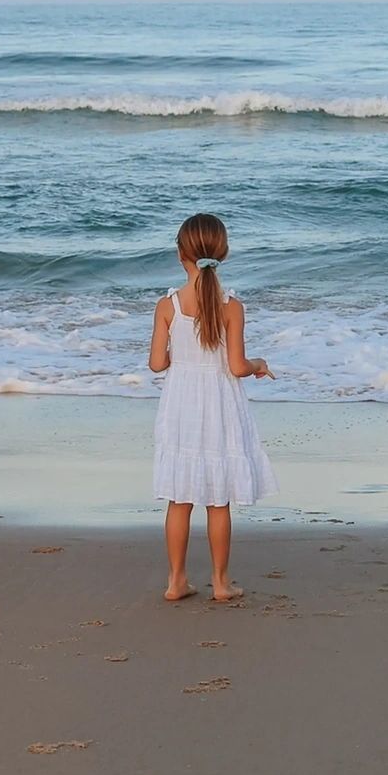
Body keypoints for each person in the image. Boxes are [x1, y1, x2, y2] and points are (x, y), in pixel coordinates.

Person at [147, 213, 277, 602]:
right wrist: (259, 365)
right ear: (223, 253)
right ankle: (221, 583)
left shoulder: (167, 305)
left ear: (180, 254)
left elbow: (157, 363)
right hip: (220, 404)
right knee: (218, 500)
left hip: (182, 404)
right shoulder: (231, 306)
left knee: (179, 496)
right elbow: (237, 366)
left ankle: (176, 581)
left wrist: (178, 355)